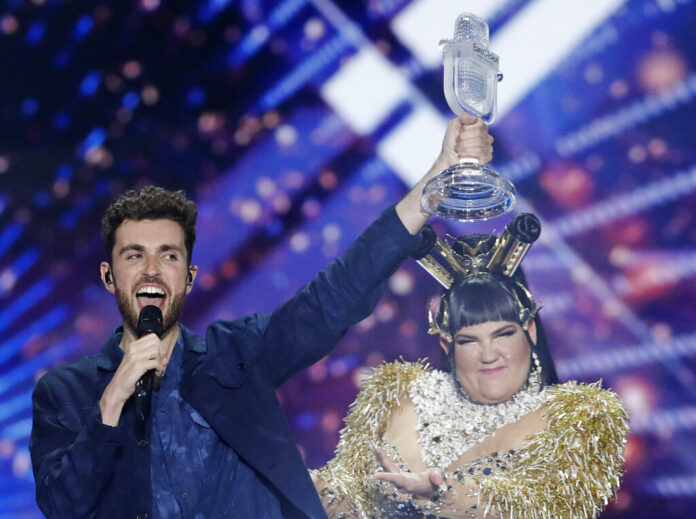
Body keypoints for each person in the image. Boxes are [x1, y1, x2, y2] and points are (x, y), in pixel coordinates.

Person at [29, 113, 492, 519]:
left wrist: (433, 186)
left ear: (188, 278)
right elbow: (63, 506)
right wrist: (113, 401)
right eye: (135, 256)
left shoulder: (236, 354)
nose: (151, 269)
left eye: (167, 256)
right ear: (110, 276)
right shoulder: (64, 394)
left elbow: (330, 299)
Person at [312, 221, 629, 518]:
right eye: (469, 341)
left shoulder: (579, 418)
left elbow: (541, 506)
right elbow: (345, 497)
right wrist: (288, 483)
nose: (488, 354)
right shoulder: (397, 395)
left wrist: (439, 494)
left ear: (530, 330)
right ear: (448, 347)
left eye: (503, 334)